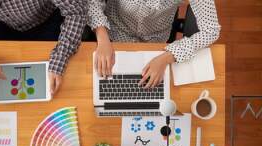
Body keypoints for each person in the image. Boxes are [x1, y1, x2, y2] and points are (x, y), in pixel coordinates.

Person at [88, 0, 221, 88]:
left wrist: (168, 56)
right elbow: (91, 2)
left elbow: (211, 30)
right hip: (114, 32)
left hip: (156, 40)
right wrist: (102, 37)